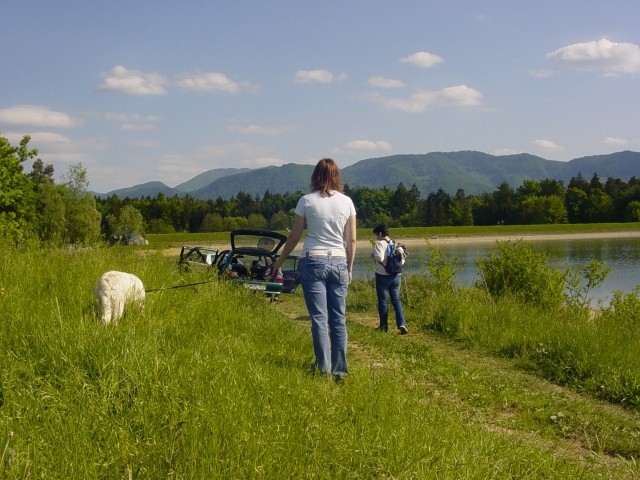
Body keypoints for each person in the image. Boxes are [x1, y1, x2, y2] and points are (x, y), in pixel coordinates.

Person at [268, 158, 357, 382]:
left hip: (313, 261)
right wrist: (350, 268)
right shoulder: (347, 202)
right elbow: (352, 240)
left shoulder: (305, 201)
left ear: (315, 176)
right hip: (338, 261)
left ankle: (323, 370)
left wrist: (278, 263)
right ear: (337, 176)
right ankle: (340, 371)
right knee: (339, 319)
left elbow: (294, 236)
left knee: (319, 318)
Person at [371, 224, 408, 335]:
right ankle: (402, 324)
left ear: (380, 234)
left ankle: (384, 326)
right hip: (396, 276)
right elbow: (402, 261)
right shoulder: (396, 243)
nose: (376, 237)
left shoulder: (379, 244)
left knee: (382, 301)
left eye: (376, 235)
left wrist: (373, 256)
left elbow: (379, 258)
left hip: (382, 276)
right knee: (396, 300)